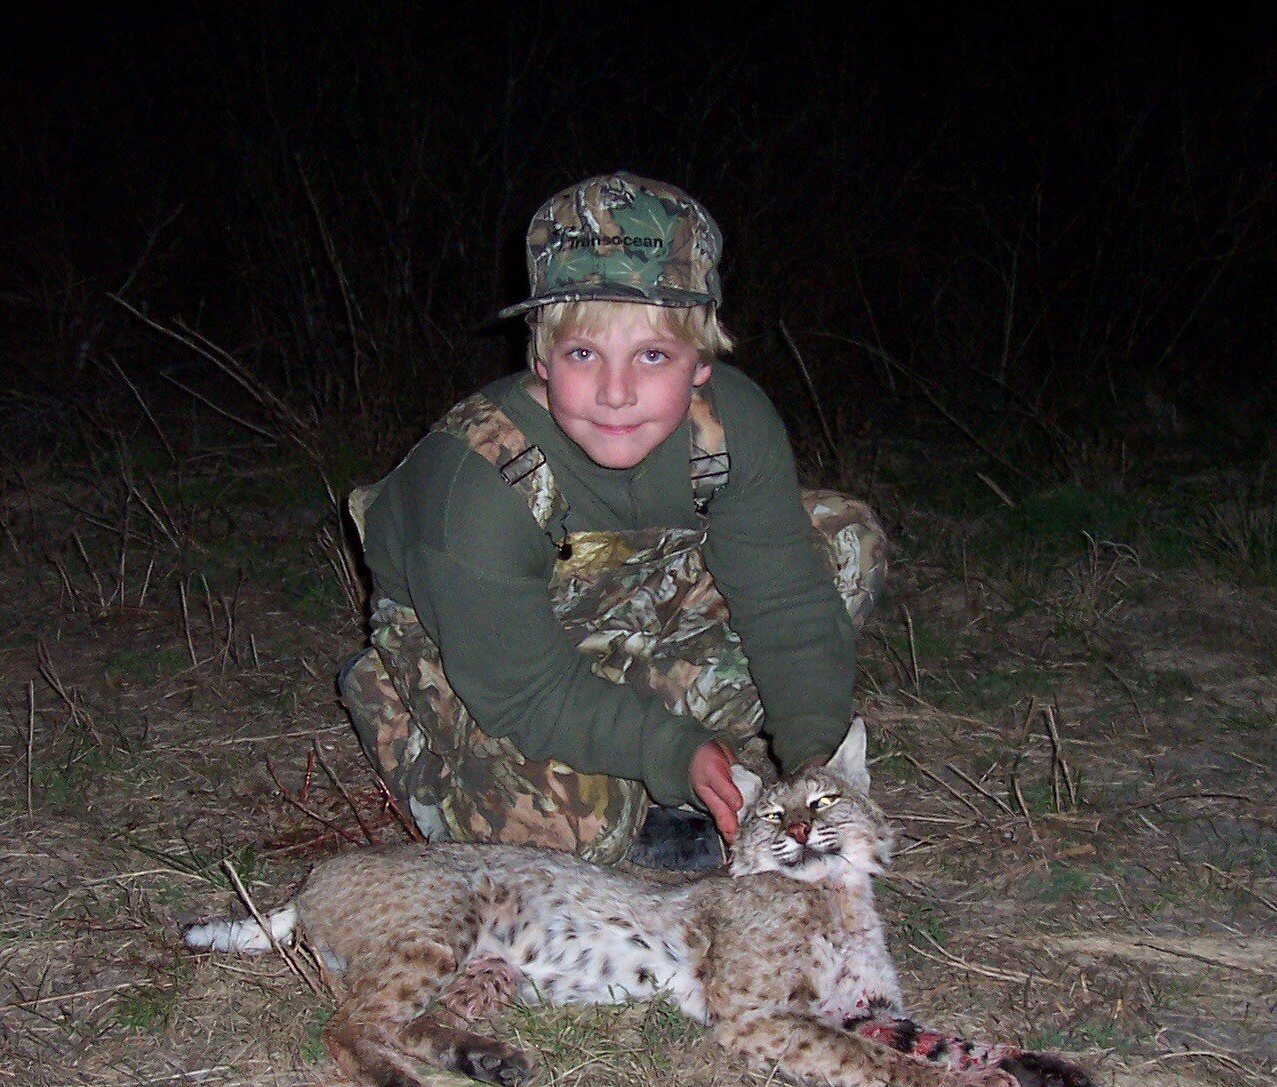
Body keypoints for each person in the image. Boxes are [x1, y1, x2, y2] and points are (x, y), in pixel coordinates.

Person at [338, 172, 886, 870]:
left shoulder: (732, 425)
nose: (616, 392)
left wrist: (816, 768)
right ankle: (398, 707)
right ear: (540, 355)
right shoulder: (475, 482)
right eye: (582, 354)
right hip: (482, 641)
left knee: (843, 543)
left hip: (624, 595)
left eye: (652, 354)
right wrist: (671, 749)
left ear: (700, 362)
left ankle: (633, 722)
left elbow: (783, 599)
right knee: (574, 831)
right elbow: (528, 691)